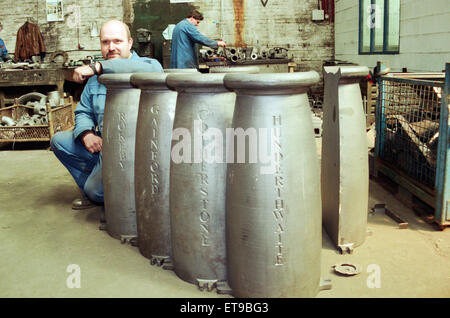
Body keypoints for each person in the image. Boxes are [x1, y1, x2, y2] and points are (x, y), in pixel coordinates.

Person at [50, 20, 163, 210]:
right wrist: (87, 134)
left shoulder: (148, 67)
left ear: (129, 43)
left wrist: (97, 67)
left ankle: (104, 188)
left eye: (117, 41)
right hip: (106, 147)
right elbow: (83, 110)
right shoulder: (95, 80)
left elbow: (155, 68)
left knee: (96, 191)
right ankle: (103, 183)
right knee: (59, 141)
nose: (111, 48)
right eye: (105, 42)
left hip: (136, 152)